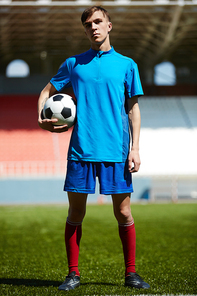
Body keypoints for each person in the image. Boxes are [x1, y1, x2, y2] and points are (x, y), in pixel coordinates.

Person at [38, 6, 150, 291]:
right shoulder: (74, 64)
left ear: (109, 25)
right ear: (85, 29)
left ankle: (131, 274)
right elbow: (47, 91)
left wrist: (135, 148)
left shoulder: (127, 64)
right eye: (88, 24)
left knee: (124, 213)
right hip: (81, 151)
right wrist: (42, 118)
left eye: (98, 21)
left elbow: (133, 109)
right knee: (76, 214)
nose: (93, 27)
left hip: (116, 150)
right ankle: (73, 274)